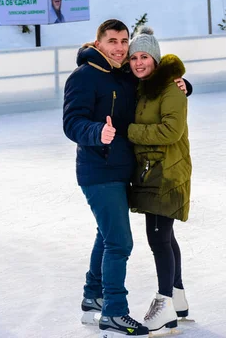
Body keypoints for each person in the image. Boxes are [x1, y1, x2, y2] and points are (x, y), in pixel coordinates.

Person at [63, 20, 191, 338]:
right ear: (98, 43)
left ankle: (93, 298)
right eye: (112, 41)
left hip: (123, 171)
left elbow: (156, 85)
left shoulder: (123, 74)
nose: (120, 48)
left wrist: (186, 85)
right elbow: (71, 121)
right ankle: (114, 313)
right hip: (99, 170)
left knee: (105, 236)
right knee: (120, 242)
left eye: (123, 41)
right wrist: (96, 132)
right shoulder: (83, 76)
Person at [127, 27, 192, 333]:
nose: (139, 62)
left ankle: (164, 302)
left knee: (158, 238)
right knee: (165, 236)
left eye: (145, 57)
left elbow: (171, 131)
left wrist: (130, 131)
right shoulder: (145, 86)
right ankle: (178, 297)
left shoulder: (169, 88)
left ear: (155, 58)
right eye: (134, 57)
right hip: (154, 171)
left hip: (166, 173)